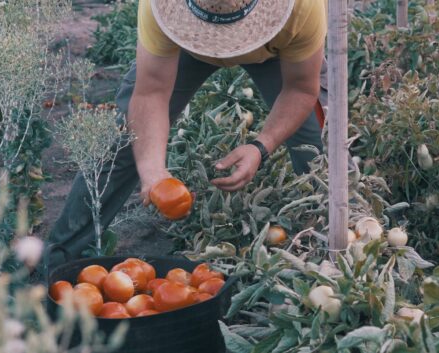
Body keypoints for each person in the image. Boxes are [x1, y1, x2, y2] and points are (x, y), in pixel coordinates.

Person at [46, 0, 329, 270]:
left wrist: (260, 146)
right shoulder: (162, 10)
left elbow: (301, 89)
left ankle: (329, 244)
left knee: (318, 149)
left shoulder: (301, 8)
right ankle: (62, 256)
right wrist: (153, 172)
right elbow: (150, 92)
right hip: (186, 44)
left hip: (274, 47)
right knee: (123, 142)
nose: (224, 46)